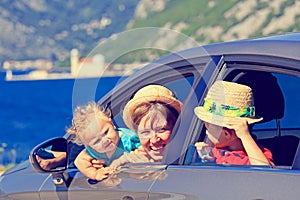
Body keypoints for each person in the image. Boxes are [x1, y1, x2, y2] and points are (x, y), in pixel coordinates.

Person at [194, 80, 274, 166]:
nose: (206, 132)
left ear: (226, 134)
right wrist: (204, 157)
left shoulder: (259, 155)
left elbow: (264, 172)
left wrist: (245, 136)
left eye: (207, 128)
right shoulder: (214, 152)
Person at [109, 84, 182, 168]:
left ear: (176, 127)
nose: (154, 140)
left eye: (161, 129)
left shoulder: (192, 155)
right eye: (145, 132)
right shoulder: (131, 161)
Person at [68, 101, 141, 181]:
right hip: (119, 184)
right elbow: (79, 161)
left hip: (139, 179)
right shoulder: (93, 151)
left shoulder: (128, 139)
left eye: (106, 132)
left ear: (111, 123)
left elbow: (146, 150)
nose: (104, 140)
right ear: (88, 145)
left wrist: (135, 156)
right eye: (96, 141)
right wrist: (95, 174)